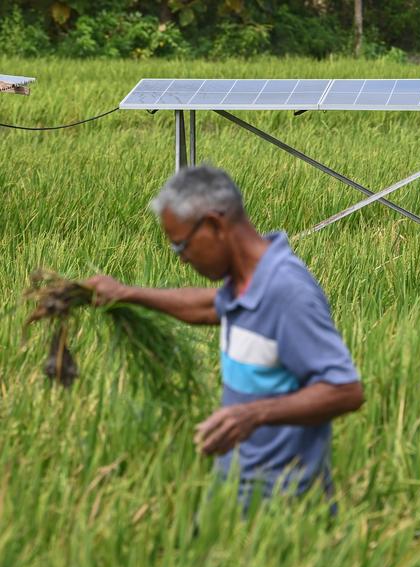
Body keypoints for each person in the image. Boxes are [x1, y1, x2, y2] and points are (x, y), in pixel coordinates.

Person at [87, 165, 364, 510]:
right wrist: (127, 293)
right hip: (235, 486)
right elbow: (210, 307)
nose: (183, 260)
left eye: (181, 247)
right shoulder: (245, 282)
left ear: (216, 225)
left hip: (280, 503)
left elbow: (345, 390)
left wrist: (252, 415)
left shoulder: (286, 291)